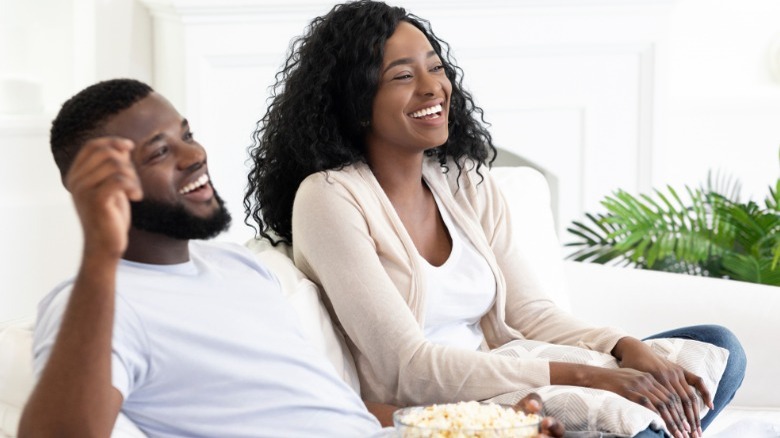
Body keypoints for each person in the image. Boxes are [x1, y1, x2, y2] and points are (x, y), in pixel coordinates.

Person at [243, 1, 746, 437]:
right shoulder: (329, 198)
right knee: (637, 413)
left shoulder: (464, 182)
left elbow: (533, 315)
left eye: (435, 68)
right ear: (356, 102)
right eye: (402, 75)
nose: (432, 88)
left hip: (519, 368)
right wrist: (589, 377)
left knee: (718, 348)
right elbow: (407, 367)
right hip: (449, 406)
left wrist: (624, 347)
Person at [18, 78, 564, 438]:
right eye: (160, 152)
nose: (194, 155)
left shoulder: (240, 270)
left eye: (186, 135)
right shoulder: (88, 305)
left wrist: (480, 425)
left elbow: (331, 409)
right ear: (94, 189)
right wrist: (98, 254)